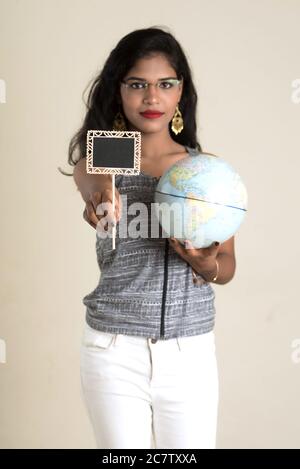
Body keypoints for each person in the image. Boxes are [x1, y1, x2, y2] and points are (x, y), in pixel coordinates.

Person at [68, 26, 236, 449]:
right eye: (137, 84)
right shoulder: (101, 158)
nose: (151, 97)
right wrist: (100, 199)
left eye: (165, 84)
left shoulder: (207, 171)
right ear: (119, 90)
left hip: (189, 352)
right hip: (113, 348)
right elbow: (93, 185)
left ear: (181, 92)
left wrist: (207, 265)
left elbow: (228, 266)